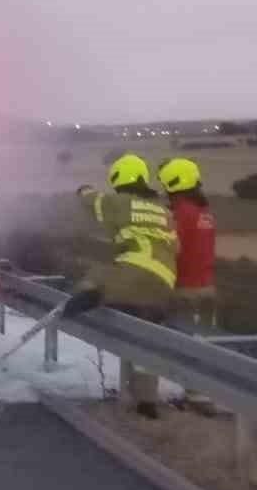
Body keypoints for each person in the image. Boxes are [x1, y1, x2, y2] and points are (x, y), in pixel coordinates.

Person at [71, 153, 177, 419]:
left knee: (94, 276)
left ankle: (87, 299)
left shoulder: (117, 201)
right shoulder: (164, 210)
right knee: (144, 339)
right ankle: (146, 402)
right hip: (164, 281)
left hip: (133, 272)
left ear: (118, 178)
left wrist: (83, 189)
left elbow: (91, 201)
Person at [158, 156, 218, 416]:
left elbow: (173, 247)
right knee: (204, 345)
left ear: (174, 183)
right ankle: (202, 394)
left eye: (166, 186)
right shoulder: (205, 212)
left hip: (184, 289)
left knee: (184, 346)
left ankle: (197, 399)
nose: (163, 191)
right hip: (207, 288)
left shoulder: (182, 212)